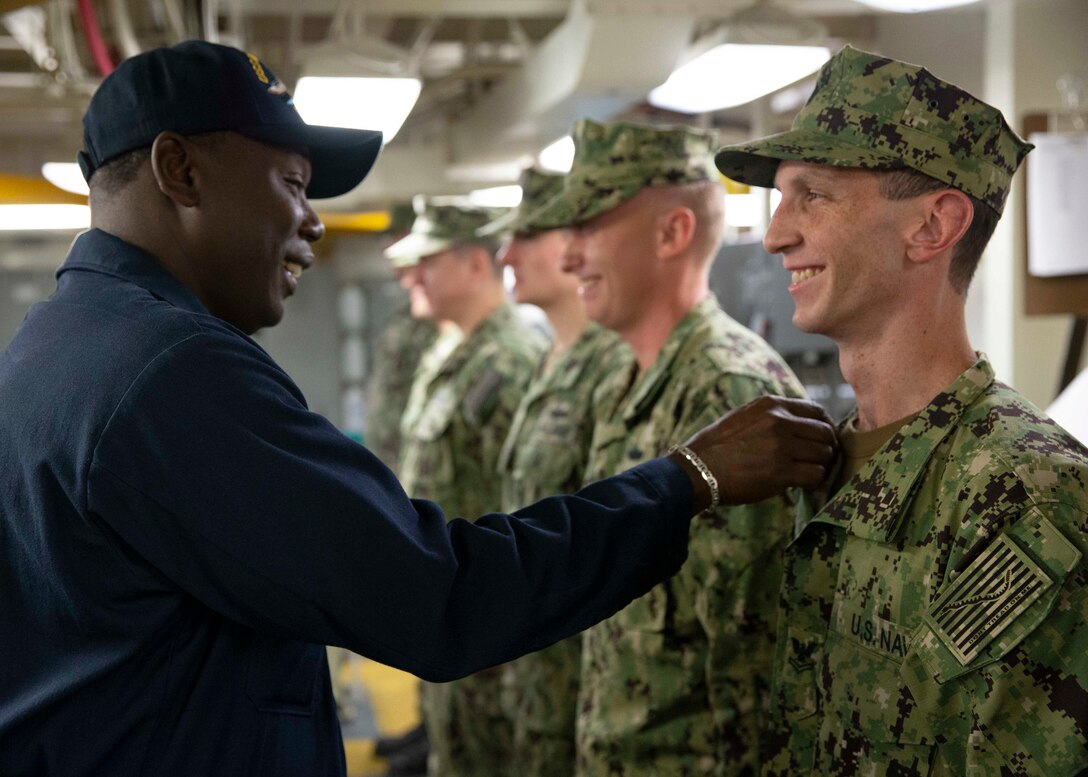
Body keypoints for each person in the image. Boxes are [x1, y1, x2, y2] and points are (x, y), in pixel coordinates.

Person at [0, 40, 837, 777]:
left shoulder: (60, 344)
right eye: (292, 184)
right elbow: (438, 596)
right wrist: (683, 480)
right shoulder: (169, 370)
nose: (312, 223)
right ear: (179, 170)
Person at [714, 45, 1088, 775]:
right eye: (779, 198)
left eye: (812, 195)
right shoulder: (812, 462)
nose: (774, 235)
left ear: (931, 226)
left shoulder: (1026, 498)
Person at [529, 119, 807, 775]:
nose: (568, 258)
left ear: (673, 232)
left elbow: (754, 675)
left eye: (588, 229)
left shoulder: (726, 391)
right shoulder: (628, 378)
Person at [385, 198, 548, 776]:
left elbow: (529, 509)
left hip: (490, 637)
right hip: (450, 621)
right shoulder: (448, 351)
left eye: (425, 261)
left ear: (477, 266)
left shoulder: (510, 361)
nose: (409, 276)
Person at [486, 167, 629, 776]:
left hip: (581, 695)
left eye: (528, 235)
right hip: (535, 680)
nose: (504, 253)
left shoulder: (614, 366)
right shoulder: (551, 356)